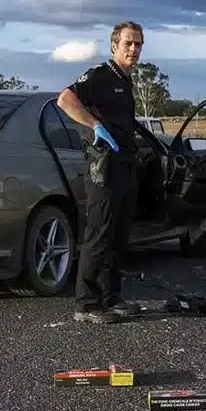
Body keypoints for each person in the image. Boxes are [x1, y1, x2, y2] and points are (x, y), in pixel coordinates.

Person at [57, 21, 144, 324]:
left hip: (125, 164)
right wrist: (94, 125)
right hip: (103, 167)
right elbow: (65, 99)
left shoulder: (125, 80)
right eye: (128, 43)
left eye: (138, 44)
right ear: (114, 45)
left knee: (119, 235)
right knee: (100, 233)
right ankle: (86, 303)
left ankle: (111, 297)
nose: (133, 49)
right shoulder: (101, 76)